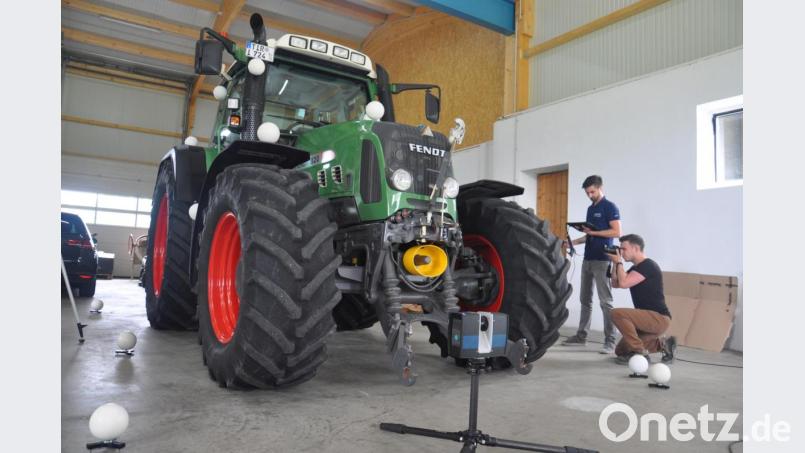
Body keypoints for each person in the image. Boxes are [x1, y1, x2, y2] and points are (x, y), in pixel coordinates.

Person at [562, 175, 621, 354]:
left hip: (603, 260)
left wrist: (595, 232)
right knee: (585, 300)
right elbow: (591, 234)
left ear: (600, 187)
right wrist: (573, 242)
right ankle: (581, 336)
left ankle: (610, 341)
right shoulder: (590, 209)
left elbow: (617, 232)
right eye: (587, 193)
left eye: (592, 192)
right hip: (588, 259)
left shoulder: (610, 207)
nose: (590, 195)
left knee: (606, 302)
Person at [607, 234, 676, 364]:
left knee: (616, 313)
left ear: (636, 248)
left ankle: (640, 353)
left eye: (624, 249)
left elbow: (624, 283)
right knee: (621, 351)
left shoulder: (648, 266)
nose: (621, 252)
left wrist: (618, 262)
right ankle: (664, 344)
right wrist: (614, 263)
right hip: (645, 320)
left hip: (658, 318)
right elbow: (615, 284)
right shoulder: (635, 268)